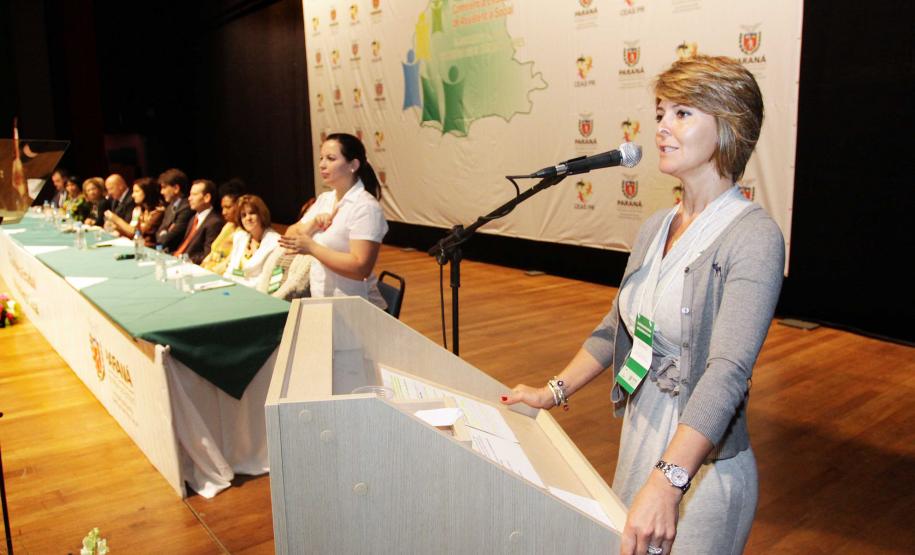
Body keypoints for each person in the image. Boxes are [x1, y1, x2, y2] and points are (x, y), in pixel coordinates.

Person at [502, 55, 784, 555]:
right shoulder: (656, 226)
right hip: (641, 442)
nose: (660, 128)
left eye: (682, 113)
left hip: (701, 471)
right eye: (660, 113)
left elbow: (728, 371)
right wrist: (552, 392)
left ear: (728, 126)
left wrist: (670, 480)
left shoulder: (754, 236)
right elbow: (617, 328)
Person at [279, 133, 388, 309]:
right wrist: (313, 224)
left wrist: (312, 247)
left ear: (353, 165)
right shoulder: (325, 199)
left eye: (330, 158)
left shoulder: (366, 207)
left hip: (359, 310)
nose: (322, 164)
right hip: (324, 305)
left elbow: (360, 268)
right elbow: (288, 239)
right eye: (321, 158)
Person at [223, 194, 280, 287]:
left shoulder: (275, 242)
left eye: (252, 213)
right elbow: (231, 270)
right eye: (243, 215)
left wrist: (240, 278)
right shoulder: (240, 237)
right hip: (234, 287)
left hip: (259, 292)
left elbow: (269, 278)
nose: (248, 218)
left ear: (261, 214)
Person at [200, 179, 246, 274]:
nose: (223, 212)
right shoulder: (228, 225)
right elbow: (212, 252)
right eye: (222, 208)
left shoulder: (244, 232)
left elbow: (229, 262)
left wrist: (208, 273)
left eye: (228, 207)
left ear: (240, 205)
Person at [173, 179, 224, 264]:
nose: (189, 198)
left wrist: (184, 260)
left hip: (190, 266)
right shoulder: (193, 218)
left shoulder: (215, 222)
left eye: (194, 194)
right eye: (190, 194)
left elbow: (208, 254)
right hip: (177, 259)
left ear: (207, 198)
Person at [105, 177, 164, 247]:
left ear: (147, 191)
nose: (133, 195)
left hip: (151, 248)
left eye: (137, 191)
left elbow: (137, 232)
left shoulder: (158, 211)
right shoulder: (139, 210)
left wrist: (116, 219)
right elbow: (132, 233)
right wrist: (116, 227)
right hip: (137, 246)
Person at [154, 168, 193, 252]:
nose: (161, 192)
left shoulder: (186, 207)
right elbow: (159, 232)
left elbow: (174, 236)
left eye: (164, 188)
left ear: (176, 188)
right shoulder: (169, 207)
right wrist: (165, 231)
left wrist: (165, 232)